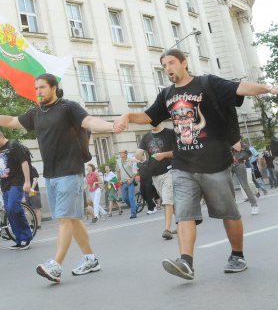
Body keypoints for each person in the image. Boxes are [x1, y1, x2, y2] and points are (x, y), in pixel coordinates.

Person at [117, 48, 278, 280]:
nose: (168, 68)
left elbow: (239, 88)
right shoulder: (167, 95)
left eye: (171, 62)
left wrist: (269, 88)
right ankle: (186, 262)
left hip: (214, 163)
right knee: (184, 213)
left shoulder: (207, 83)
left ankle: (237, 255)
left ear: (184, 63)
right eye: (164, 66)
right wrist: (128, 116)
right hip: (183, 165)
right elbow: (149, 116)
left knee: (228, 214)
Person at [0, 73, 122, 283]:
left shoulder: (68, 107)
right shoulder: (36, 113)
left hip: (70, 170)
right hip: (52, 174)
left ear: (54, 87)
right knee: (72, 219)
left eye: (42, 87)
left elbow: (88, 120)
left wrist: (111, 126)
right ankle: (90, 259)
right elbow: (10, 121)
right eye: (37, 88)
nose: (38, 91)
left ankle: (56, 265)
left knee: (64, 219)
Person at [0, 130, 32, 250]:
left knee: (13, 207)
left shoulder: (13, 145)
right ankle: (18, 239)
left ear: (0, 137)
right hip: (5, 183)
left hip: (17, 181)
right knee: (9, 211)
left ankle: (26, 237)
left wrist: (27, 181)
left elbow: (24, 162)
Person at [135, 125, 177, 239]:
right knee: (170, 201)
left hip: (169, 171)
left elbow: (178, 151)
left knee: (167, 200)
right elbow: (139, 152)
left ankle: (167, 229)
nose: (151, 124)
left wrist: (163, 155)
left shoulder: (170, 133)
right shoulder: (146, 137)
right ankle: (181, 223)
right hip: (154, 175)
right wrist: (137, 155)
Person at [231, 142, 259, 215]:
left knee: (245, 186)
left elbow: (247, 152)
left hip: (239, 164)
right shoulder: (221, 140)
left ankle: (254, 205)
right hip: (227, 166)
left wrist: (239, 158)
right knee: (228, 187)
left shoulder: (237, 141)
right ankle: (233, 208)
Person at [116, 150, 138, 219]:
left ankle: (133, 213)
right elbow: (118, 172)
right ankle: (135, 206)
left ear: (125, 154)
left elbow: (135, 171)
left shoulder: (131, 160)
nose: (120, 154)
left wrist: (132, 179)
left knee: (131, 197)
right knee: (125, 199)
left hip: (130, 181)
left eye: (121, 153)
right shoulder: (118, 161)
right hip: (123, 182)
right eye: (120, 153)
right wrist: (119, 181)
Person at [24, 165, 43, 230]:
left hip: (34, 191)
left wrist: (31, 190)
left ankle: (37, 225)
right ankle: (31, 225)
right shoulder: (23, 169)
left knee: (36, 209)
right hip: (27, 191)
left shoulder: (32, 168)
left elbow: (35, 180)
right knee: (27, 209)